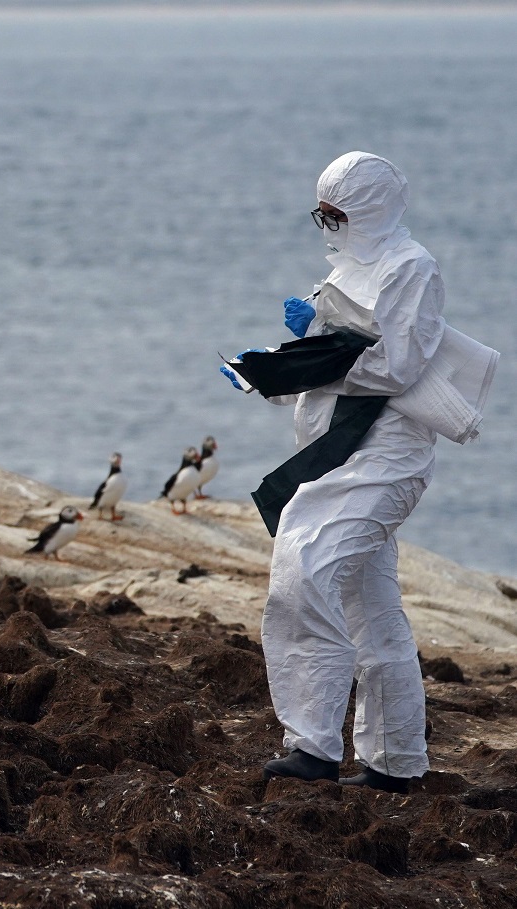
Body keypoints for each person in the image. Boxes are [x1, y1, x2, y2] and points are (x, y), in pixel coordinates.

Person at [252, 152, 447, 793]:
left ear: (370, 210)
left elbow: (396, 366)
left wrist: (325, 342)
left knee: (303, 564)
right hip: (339, 451)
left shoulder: (412, 268)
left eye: (337, 215)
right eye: (322, 215)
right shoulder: (341, 271)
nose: (329, 227)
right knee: (372, 610)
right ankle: (395, 762)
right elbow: (323, 366)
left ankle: (311, 743)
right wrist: (271, 369)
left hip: (386, 459)